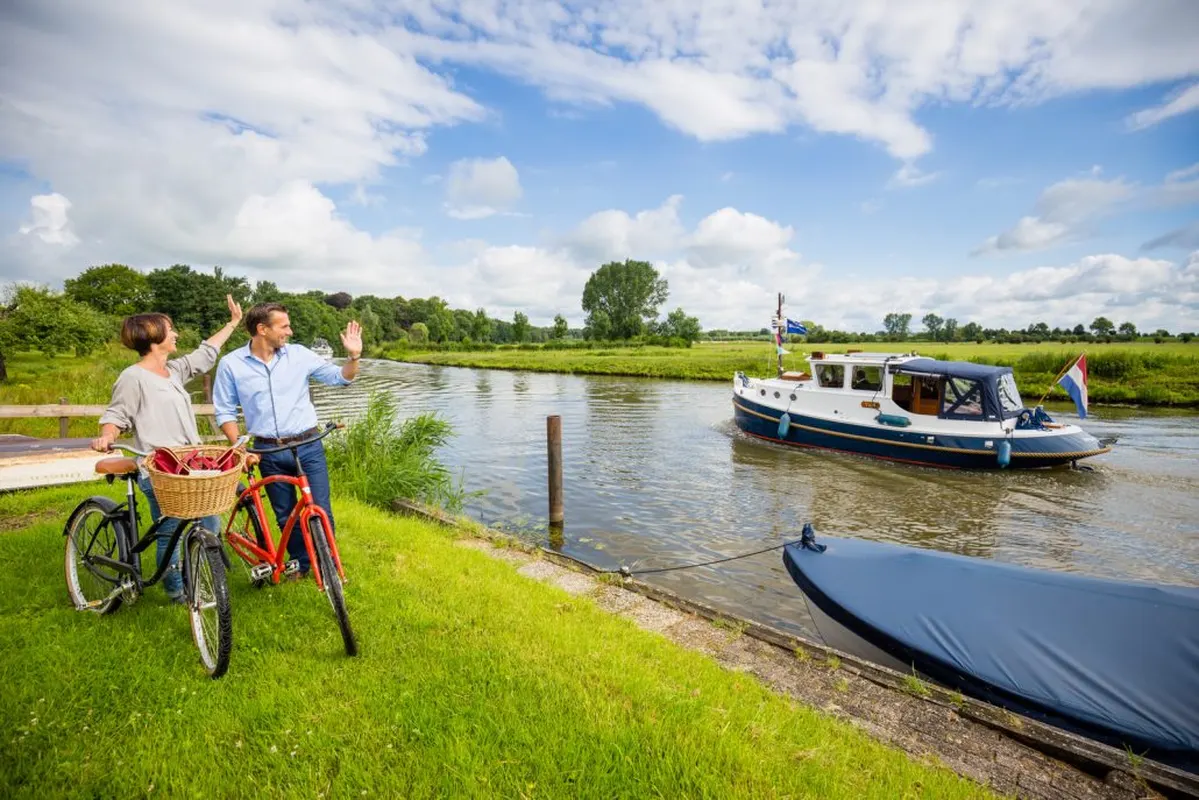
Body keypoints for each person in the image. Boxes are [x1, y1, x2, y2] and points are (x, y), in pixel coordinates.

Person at [92, 295, 243, 603]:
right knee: (171, 529)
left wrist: (233, 323)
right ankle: (176, 591)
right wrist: (107, 436)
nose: (176, 334)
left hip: (189, 466)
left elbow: (207, 352)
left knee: (210, 522)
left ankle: (200, 577)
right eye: (170, 329)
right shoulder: (132, 377)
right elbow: (116, 415)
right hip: (159, 469)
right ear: (153, 336)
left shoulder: (173, 371)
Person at [212, 303, 361, 579]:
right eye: (284, 326)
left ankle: (327, 563)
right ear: (262, 329)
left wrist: (352, 358)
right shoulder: (231, 364)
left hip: (308, 445)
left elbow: (340, 379)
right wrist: (240, 447)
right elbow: (224, 411)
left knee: (320, 509)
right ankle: (301, 563)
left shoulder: (300, 356)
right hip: (268, 449)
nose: (290, 332)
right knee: (285, 515)